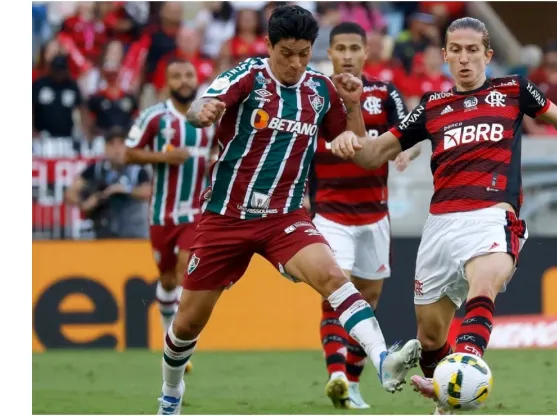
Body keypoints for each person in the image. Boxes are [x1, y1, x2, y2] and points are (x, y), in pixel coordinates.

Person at [328, 17, 557, 415]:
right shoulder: (432, 107)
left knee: (484, 284)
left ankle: (466, 365)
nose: (464, 59)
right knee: (430, 338)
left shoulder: (513, 90)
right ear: (445, 54)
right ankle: (448, 397)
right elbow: (371, 156)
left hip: (492, 215)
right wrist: (354, 107)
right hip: (441, 225)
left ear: (487, 54)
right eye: (456, 50)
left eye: (472, 50)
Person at [155, 6, 421, 415]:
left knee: (332, 275)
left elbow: (356, 146)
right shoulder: (247, 76)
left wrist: (351, 107)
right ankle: (170, 397)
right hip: (226, 217)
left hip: (285, 217)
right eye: (287, 54)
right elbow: (200, 107)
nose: (296, 63)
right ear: (269, 46)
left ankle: (383, 361)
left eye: (303, 53)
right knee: (189, 322)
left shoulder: (320, 89)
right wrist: (201, 111)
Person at [306, 22, 421, 410]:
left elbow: (412, 135)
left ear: (366, 53)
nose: (348, 56)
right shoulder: (315, 92)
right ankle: (336, 372)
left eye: (355, 48)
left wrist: (406, 151)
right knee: (337, 288)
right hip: (331, 212)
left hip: (374, 216)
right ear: (331, 53)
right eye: (341, 48)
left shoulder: (385, 93)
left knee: (367, 299)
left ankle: (351, 385)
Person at [125, 59, 217, 377]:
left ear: (197, 78)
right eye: (176, 76)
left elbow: (224, 151)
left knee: (184, 269)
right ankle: (169, 330)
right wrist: (165, 157)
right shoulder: (155, 117)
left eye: (188, 74)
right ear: (167, 82)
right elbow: (128, 152)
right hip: (162, 214)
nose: (183, 81)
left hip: (196, 212)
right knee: (166, 280)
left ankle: (180, 344)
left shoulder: (211, 117)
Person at [64, 128, 152, 239]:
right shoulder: (95, 169)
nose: (117, 150)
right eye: (112, 145)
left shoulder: (137, 170)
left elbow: (148, 192)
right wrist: (85, 203)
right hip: (104, 234)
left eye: (121, 144)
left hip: (133, 235)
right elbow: (70, 193)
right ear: (105, 148)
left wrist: (123, 189)